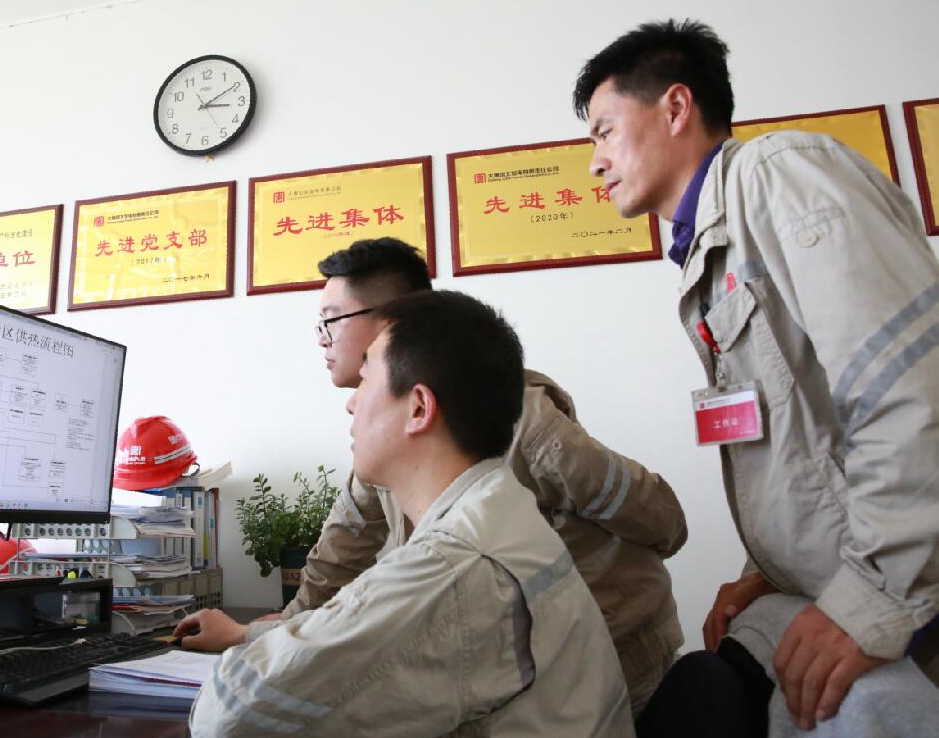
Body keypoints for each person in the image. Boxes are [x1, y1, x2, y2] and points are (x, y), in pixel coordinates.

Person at [573, 18, 939, 735]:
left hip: (903, 600)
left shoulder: (780, 176)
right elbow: (796, 442)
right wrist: (764, 568)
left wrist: (871, 597)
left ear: (676, 107)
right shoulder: (710, 251)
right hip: (842, 592)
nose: (595, 162)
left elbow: (910, 388)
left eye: (604, 131)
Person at [180, 291, 633, 737]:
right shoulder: (500, 505)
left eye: (366, 380)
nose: (351, 403)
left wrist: (250, 648)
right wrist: (250, 636)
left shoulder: (453, 564)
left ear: (418, 408)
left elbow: (229, 716)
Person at [279, 237, 685, 716]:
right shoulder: (386, 425)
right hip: (522, 661)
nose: (321, 339)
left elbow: (659, 517)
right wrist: (279, 632)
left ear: (390, 320)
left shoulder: (518, 417)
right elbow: (344, 543)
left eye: (330, 320)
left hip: (613, 653)